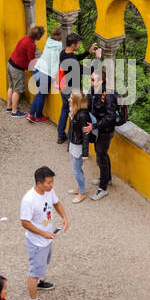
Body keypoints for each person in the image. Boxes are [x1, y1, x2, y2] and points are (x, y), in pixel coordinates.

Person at [20, 166, 68, 300]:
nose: (51, 185)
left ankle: (39, 283)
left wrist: (64, 217)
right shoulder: (28, 200)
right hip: (37, 242)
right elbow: (24, 222)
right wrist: (43, 233)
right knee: (34, 273)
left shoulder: (49, 191)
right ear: (39, 183)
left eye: (52, 182)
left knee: (43, 264)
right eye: (49, 183)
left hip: (47, 238)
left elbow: (56, 203)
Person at [86, 68, 120, 200]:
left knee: (101, 156)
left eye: (93, 79)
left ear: (101, 81)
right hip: (98, 129)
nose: (90, 81)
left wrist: (94, 126)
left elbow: (110, 117)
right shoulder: (94, 90)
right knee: (102, 154)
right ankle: (107, 178)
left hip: (105, 131)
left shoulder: (109, 95)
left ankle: (103, 188)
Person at [55, 34, 94, 143]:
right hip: (73, 91)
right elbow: (85, 70)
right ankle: (72, 138)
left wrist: (87, 52)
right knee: (75, 114)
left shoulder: (64, 52)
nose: (79, 44)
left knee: (65, 110)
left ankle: (60, 135)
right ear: (73, 45)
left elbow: (75, 58)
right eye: (78, 43)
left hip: (64, 88)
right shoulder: (71, 58)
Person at [5, 24, 42, 117]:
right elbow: (31, 60)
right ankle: (14, 112)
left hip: (10, 64)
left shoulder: (24, 38)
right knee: (17, 90)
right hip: (17, 69)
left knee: (11, 87)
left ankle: (9, 106)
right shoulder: (31, 45)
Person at [28, 26, 61, 122]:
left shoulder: (49, 40)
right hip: (46, 73)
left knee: (39, 93)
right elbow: (57, 62)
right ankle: (38, 116)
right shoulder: (60, 46)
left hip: (37, 68)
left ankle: (31, 114)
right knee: (41, 95)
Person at [65, 92, 89, 203]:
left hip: (78, 146)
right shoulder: (75, 111)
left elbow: (85, 135)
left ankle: (82, 192)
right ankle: (80, 188)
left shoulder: (82, 115)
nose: (69, 99)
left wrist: (85, 153)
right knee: (77, 169)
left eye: (71, 98)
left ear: (77, 101)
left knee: (76, 170)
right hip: (74, 143)